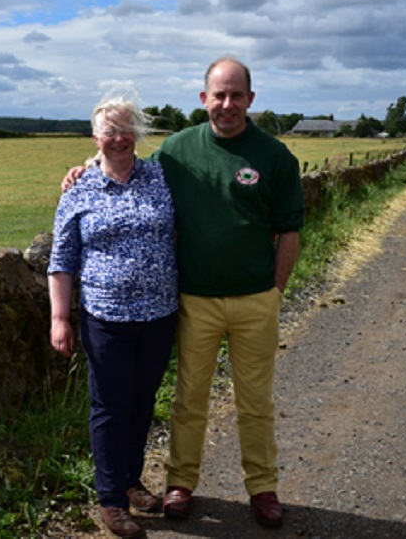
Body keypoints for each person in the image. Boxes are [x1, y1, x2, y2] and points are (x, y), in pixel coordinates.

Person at [62, 57, 304, 529]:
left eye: (237, 95)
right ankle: (180, 484)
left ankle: (263, 487)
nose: (227, 104)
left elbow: (289, 231)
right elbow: (122, 162)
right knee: (189, 397)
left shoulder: (275, 157)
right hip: (194, 300)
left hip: (256, 299)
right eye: (219, 95)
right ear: (204, 99)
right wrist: (85, 168)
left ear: (251, 99)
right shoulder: (176, 151)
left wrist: (275, 291)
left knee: (256, 400)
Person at [48, 96, 179, 539]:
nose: (119, 138)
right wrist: (60, 318)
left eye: (127, 129)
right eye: (110, 131)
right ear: (95, 137)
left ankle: (130, 479)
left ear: (137, 135)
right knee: (110, 405)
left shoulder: (160, 176)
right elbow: (61, 259)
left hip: (159, 314)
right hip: (105, 318)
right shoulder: (79, 189)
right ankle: (110, 500)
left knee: (143, 401)